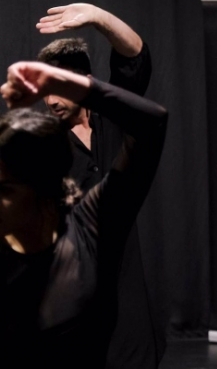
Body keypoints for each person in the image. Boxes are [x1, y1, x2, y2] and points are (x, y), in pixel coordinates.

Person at [0, 61, 167, 368]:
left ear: (43, 189)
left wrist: (72, 85)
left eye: (7, 190)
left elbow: (152, 123)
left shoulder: (88, 228)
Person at [35, 3, 163, 368]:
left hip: (125, 290)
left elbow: (136, 56)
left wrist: (97, 16)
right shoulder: (45, 144)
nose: (50, 100)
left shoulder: (113, 117)